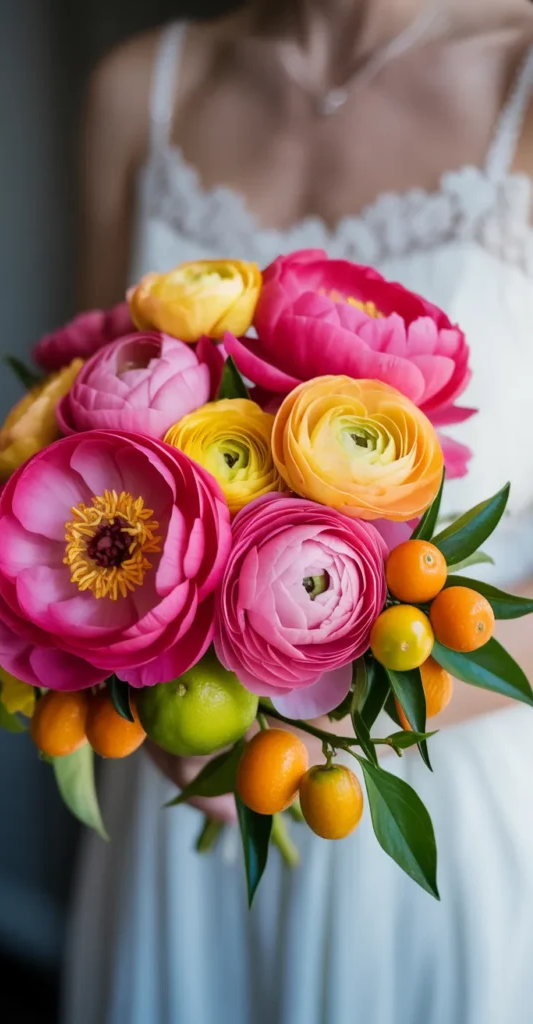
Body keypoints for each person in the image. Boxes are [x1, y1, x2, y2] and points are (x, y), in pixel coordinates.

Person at [64, 1, 533, 1021]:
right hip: (176, 787)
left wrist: (314, 730)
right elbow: (72, 447)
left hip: (420, 803)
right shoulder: (142, 88)